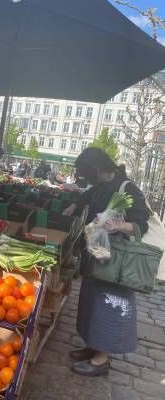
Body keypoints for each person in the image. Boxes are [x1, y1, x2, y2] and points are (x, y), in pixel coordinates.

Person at [63, 148, 150, 377]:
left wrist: (118, 225)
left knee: (106, 307)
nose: (84, 177)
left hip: (114, 262)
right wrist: (76, 205)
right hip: (96, 254)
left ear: (96, 169)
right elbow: (88, 195)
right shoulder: (101, 185)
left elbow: (142, 224)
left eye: (85, 172)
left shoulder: (127, 188)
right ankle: (92, 347)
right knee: (90, 302)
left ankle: (101, 360)